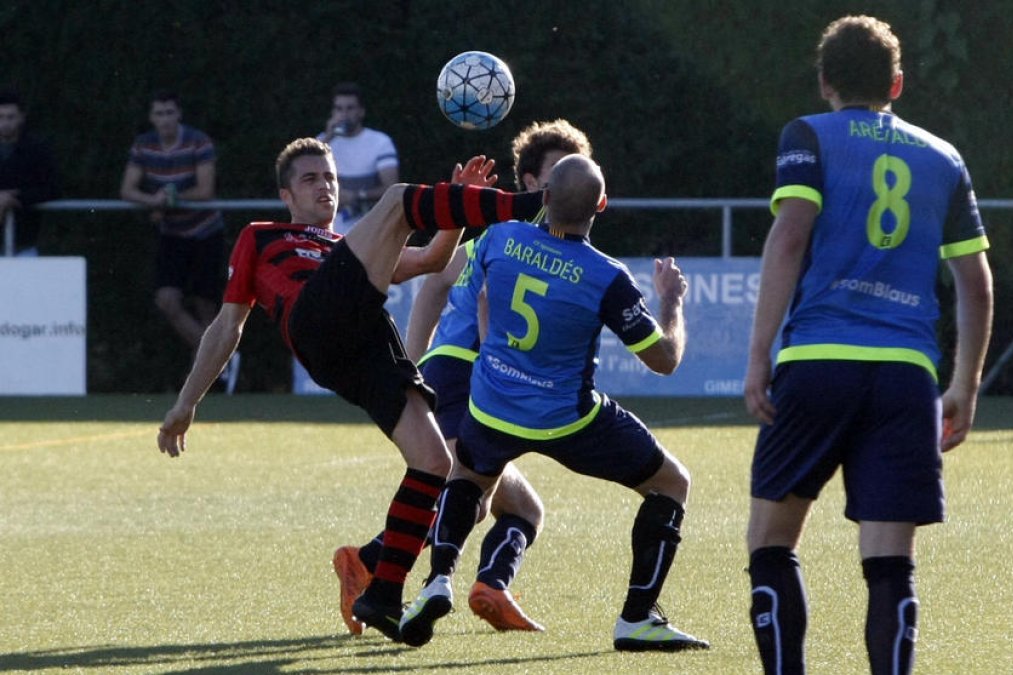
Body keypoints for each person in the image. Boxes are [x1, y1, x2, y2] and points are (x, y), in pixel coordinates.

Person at [156, 137, 545, 644]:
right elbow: (228, 325)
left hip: (363, 347)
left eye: (331, 178)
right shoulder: (262, 236)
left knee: (434, 463)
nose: (324, 186)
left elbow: (430, 259)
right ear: (286, 195)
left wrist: (457, 205)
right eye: (310, 178)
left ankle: (381, 592)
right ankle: (531, 206)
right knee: (399, 198)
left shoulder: (353, 250)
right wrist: (187, 402)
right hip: (316, 319)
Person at [742, 15, 993, 674]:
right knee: (889, 562)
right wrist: (963, 384)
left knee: (770, 542)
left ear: (825, 81)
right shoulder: (943, 157)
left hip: (818, 363)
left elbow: (790, 235)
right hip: (906, 375)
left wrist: (757, 354)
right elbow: (975, 282)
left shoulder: (807, 136)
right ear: (898, 83)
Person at [393, 154, 709, 652]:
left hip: (493, 403)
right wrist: (671, 300)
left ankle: (437, 582)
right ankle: (637, 618)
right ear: (601, 205)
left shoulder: (500, 238)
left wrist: (498, 368)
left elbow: (480, 304)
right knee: (672, 483)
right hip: (568, 419)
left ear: (544, 197)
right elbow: (664, 360)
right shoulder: (607, 277)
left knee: (470, 478)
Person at [331, 120, 594, 637]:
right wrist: (414, 362)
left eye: (574, 173)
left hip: (484, 380)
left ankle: (489, 585)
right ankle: (371, 566)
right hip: (464, 373)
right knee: (464, 500)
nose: (565, 184)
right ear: (525, 183)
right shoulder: (506, 238)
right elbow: (440, 285)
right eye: (554, 174)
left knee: (520, 508)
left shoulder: (558, 249)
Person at [119, 90, 234, 389]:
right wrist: (153, 200)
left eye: (170, 113)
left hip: (206, 232)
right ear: (151, 117)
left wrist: (171, 198)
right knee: (167, 300)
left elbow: (205, 190)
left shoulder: (198, 141)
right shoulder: (144, 145)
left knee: (206, 307)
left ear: (178, 114)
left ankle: (207, 382)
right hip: (172, 235)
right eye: (159, 114)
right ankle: (223, 359)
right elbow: (128, 190)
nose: (165, 120)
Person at [316, 82, 399, 234]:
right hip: (331, 229)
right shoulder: (322, 142)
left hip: (371, 228)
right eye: (339, 109)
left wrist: (357, 196)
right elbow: (302, 172)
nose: (344, 114)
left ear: (361, 112)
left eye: (350, 108)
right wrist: (328, 136)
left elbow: (391, 187)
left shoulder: (380, 142)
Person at [0, 88, 60, 256]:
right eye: (0, 117)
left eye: (10, 117)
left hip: (24, 244)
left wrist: (14, 198)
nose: (5, 123)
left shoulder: (37, 149)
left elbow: (52, 189)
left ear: (21, 118)